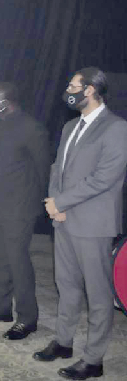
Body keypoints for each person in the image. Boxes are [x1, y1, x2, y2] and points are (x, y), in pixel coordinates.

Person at [33, 67, 127, 380]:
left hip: (93, 224)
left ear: (89, 89)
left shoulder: (116, 128)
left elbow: (104, 178)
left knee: (98, 294)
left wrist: (62, 202)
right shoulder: (71, 125)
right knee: (67, 285)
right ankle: (63, 342)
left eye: (73, 85)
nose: (68, 89)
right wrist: (54, 204)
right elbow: (57, 168)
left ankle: (94, 360)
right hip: (65, 221)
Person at [0, 82, 49, 341]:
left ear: (6, 103)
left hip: (19, 210)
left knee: (18, 263)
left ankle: (27, 319)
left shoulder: (31, 128)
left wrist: (36, 204)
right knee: (1, 261)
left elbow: (42, 170)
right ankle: (1, 309)